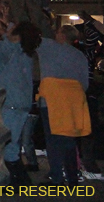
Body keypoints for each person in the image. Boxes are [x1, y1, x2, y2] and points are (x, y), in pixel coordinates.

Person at [0, 18, 42, 186]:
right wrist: (5, 27)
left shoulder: (11, 50)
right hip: (22, 103)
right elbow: (9, 40)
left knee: (6, 143)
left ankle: (15, 180)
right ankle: (18, 181)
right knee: (13, 143)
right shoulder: (25, 51)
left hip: (10, 103)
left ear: (17, 36)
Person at [36, 24, 91, 186]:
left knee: (53, 140)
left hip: (51, 100)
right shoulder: (80, 56)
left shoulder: (47, 47)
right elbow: (84, 84)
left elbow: (30, 34)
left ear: (61, 35)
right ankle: (72, 177)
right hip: (72, 103)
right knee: (68, 141)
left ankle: (56, 177)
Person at [76, 10, 104, 178]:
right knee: (89, 127)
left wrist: (88, 22)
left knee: (89, 127)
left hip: (89, 90)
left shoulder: (85, 51)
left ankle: (88, 162)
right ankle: (87, 161)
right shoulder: (83, 51)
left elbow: (94, 37)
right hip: (89, 90)